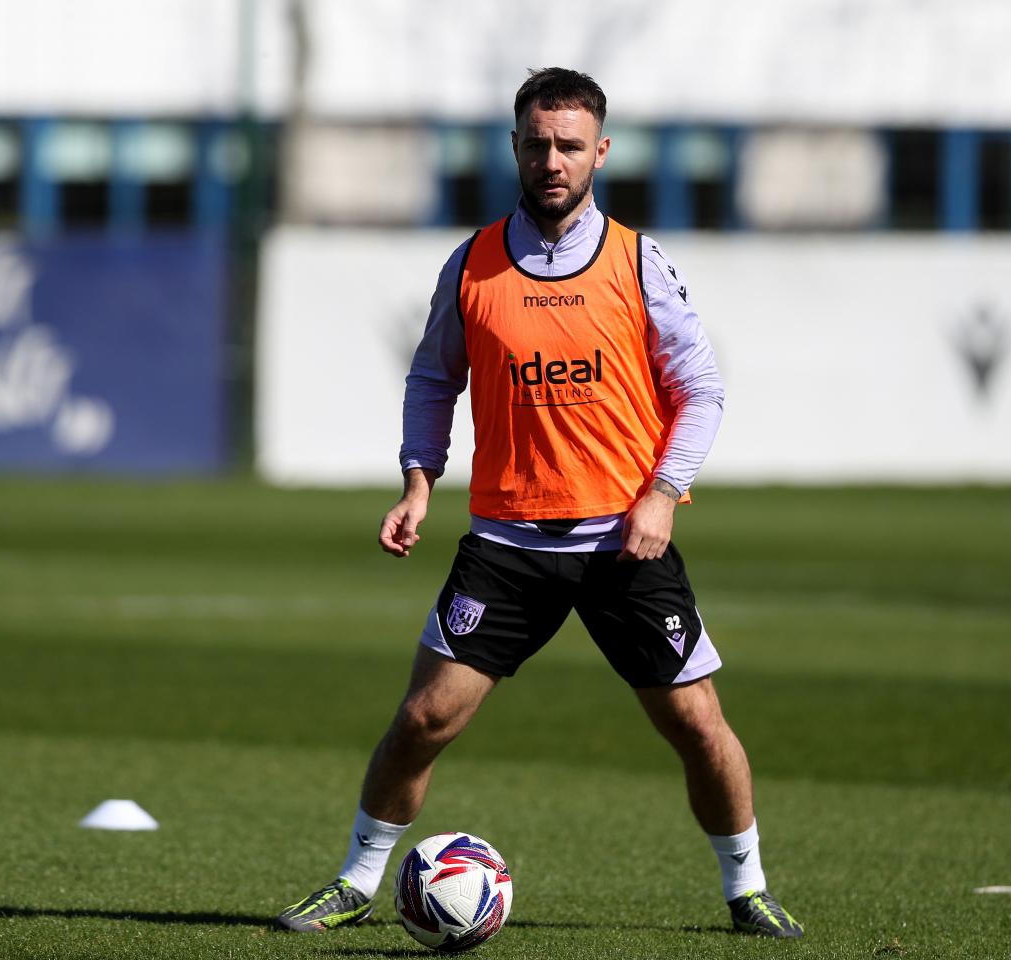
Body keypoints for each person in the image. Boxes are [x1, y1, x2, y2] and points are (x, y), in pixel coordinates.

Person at [275, 67, 804, 940]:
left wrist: (662, 493)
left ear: (601, 151)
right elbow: (433, 377)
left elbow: (701, 388)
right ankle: (356, 881)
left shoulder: (638, 262)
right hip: (507, 545)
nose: (552, 161)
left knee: (698, 725)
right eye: (537, 144)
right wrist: (418, 480)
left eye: (569, 146)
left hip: (622, 542)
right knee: (423, 719)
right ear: (515, 147)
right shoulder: (472, 263)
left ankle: (747, 890)